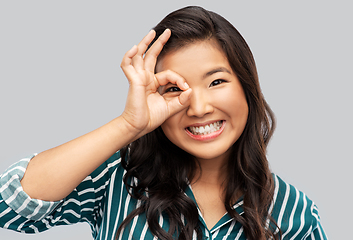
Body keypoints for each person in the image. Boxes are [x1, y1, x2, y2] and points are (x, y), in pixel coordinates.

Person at [0, 6, 327, 240]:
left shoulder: (292, 208)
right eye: (174, 88)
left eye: (216, 82)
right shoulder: (119, 177)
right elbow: (10, 205)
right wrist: (128, 125)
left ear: (247, 86)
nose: (198, 108)